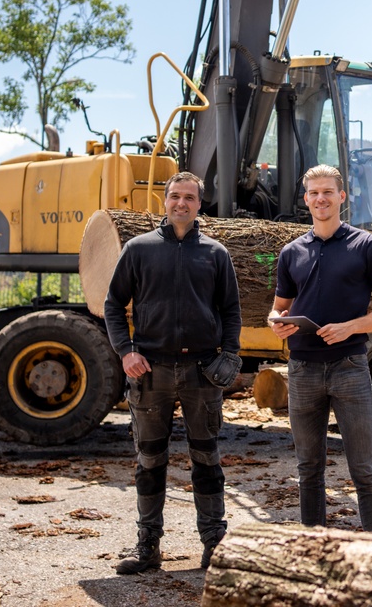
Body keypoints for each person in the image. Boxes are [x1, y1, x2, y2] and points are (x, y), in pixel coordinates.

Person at [104, 171, 242, 573]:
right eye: (175, 196)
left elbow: (231, 311)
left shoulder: (215, 253)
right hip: (151, 372)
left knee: (207, 457)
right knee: (149, 460)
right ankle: (148, 548)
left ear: (200, 204)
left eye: (190, 198)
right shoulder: (138, 249)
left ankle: (214, 545)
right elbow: (113, 306)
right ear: (164, 201)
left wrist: (230, 354)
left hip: (202, 372)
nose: (182, 203)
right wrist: (125, 352)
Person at [268, 164, 372, 533]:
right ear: (306, 199)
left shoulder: (367, 245)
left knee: (363, 468)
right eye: (313, 193)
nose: (320, 199)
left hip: (349, 368)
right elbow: (280, 306)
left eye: (327, 192)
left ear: (342, 197)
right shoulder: (291, 252)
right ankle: (315, 548)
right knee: (308, 468)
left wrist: (350, 328)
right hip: (302, 371)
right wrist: (277, 320)